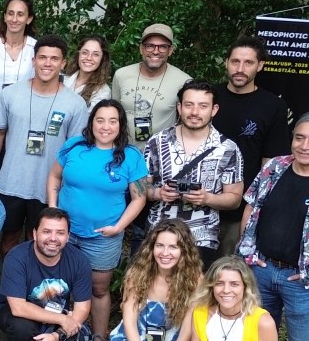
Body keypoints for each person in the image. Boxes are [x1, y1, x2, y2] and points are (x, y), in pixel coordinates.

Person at [47, 99, 149, 341]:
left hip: (103, 237)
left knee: (99, 289)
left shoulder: (131, 156)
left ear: (120, 125)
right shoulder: (74, 147)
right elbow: (54, 177)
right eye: (100, 120)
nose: (105, 126)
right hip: (64, 234)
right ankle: (60, 333)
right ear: (92, 122)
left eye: (112, 121)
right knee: (59, 285)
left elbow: (140, 198)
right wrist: (53, 207)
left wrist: (119, 227)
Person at [238, 112, 309, 341]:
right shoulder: (275, 167)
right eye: (299, 138)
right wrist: (246, 255)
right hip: (262, 269)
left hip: (301, 283)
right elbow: (251, 208)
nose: (304, 146)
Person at [0, 34, 88, 253]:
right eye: (42, 57)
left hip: (48, 186)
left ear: (63, 63)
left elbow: (76, 149)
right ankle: (12, 278)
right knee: (9, 236)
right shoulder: (11, 94)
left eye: (54, 59)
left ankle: (35, 283)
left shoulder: (75, 104)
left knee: (41, 240)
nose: (47, 63)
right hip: (11, 181)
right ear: (33, 60)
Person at [143, 80, 243, 268]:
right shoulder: (156, 142)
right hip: (158, 234)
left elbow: (235, 198)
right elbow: (139, 187)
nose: (195, 112)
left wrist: (207, 198)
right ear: (179, 108)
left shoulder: (228, 149)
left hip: (202, 237)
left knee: (194, 295)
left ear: (214, 110)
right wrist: (158, 193)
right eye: (189, 105)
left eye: (202, 106)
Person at [110, 220, 200, 341]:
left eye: (173, 247)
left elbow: (188, 329)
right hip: (138, 337)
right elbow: (129, 322)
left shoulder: (195, 280)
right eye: (160, 245)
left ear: (184, 250)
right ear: (151, 247)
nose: (165, 253)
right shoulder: (137, 273)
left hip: (173, 340)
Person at [212, 37, 291, 255]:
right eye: (235, 61)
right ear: (226, 62)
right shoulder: (208, 96)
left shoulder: (273, 106)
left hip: (238, 212)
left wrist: (255, 210)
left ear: (260, 65)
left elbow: (272, 166)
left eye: (248, 63)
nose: (240, 68)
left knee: (225, 274)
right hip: (196, 206)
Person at [0, 207, 93, 341]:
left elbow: (83, 307)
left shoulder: (79, 260)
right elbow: (18, 307)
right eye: (46, 231)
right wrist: (63, 320)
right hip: (14, 311)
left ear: (68, 237)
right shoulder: (17, 257)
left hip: (55, 312)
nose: (53, 238)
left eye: (60, 233)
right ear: (35, 233)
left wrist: (57, 336)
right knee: (22, 328)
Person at [111, 23, 192, 148]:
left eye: (163, 47)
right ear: (141, 48)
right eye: (150, 46)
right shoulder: (121, 75)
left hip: (161, 154)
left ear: (170, 50)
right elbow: (112, 113)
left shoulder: (184, 81)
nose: (155, 51)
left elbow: (188, 121)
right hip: (123, 151)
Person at [63, 34, 112, 108]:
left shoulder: (103, 92)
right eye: (85, 52)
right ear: (78, 54)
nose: (89, 58)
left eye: (95, 54)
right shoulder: (62, 80)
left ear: (102, 59)